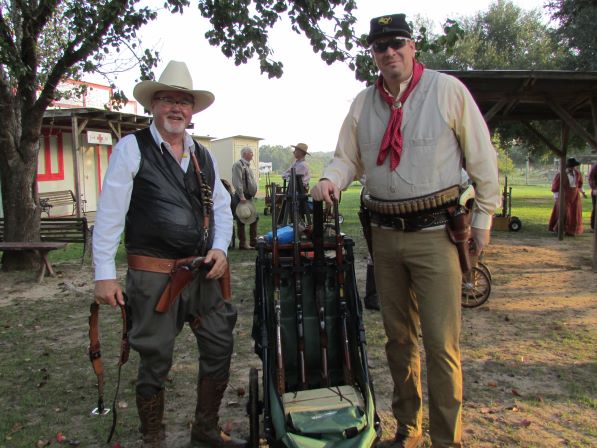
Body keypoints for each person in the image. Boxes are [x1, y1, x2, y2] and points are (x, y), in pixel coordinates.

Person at [311, 14, 500, 448]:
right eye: (380, 46)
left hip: (437, 236)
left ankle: (446, 440)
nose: (389, 52)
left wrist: (484, 218)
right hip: (384, 236)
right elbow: (347, 158)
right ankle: (408, 430)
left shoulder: (446, 91)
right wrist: (330, 179)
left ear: (413, 46)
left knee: (441, 344)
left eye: (397, 42)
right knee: (398, 340)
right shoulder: (363, 104)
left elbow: (482, 157)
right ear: (373, 54)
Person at [92, 60, 245, 448]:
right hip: (153, 275)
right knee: (155, 356)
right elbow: (110, 213)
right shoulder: (132, 148)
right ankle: (152, 438)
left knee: (219, 343)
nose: (176, 108)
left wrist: (219, 248)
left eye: (184, 101)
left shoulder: (202, 155)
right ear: (153, 105)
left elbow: (222, 208)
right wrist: (104, 274)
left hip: (202, 273)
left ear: (192, 111)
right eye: (167, 100)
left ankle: (204, 429)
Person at [548, 157, 586, 236]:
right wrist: (556, 197)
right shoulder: (561, 174)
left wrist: (583, 192)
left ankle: (572, 230)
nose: (572, 168)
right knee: (564, 212)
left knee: (574, 213)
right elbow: (555, 186)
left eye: (573, 166)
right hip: (564, 195)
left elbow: (579, 184)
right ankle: (559, 229)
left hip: (575, 195)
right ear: (567, 166)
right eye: (571, 166)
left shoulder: (577, 173)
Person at [231, 147, 258, 249]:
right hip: (242, 197)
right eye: (251, 153)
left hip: (248, 197)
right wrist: (241, 196)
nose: (252, 155)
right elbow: (237, 181)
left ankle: (253, 242)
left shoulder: (247, 166)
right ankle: (243, 243)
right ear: (245, 154)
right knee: (242, 219)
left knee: (254, 218)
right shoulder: (238, 165)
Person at [588, 162, 597, 232]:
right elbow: (591, 179)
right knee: (596, 209)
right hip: (596, 191)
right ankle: (593, 227)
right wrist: (594, 188)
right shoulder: (595, 168)